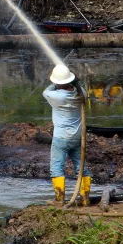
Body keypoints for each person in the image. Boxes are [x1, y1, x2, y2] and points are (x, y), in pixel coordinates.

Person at [43, 64, 91, 206]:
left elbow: (46, 90)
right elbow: (80, 86)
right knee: (80, 166)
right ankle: (85, 198)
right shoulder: (81, 93)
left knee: (57, 167)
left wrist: (54, 81)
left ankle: (59, 199)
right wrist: (75, 81)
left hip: (61, 138)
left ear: (57, 82)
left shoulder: (54, 95)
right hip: (78, 137)